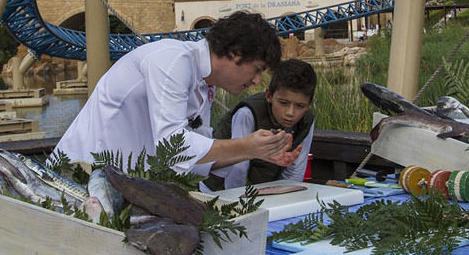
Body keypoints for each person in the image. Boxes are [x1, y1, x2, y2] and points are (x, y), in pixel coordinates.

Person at [52, 11, 292, 177]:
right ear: (235, 53)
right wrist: (243, 146)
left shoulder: (205, 83)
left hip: (119, 181)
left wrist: (253, 152)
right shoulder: (172, 60)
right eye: (257, 70)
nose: (257, 81)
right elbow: (172, 146)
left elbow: (193, 161)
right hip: (77, 176)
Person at [203, 58, 317, 192]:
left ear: (309, 104)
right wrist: (238, 204)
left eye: (300, 106)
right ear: (269, 95)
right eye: (283, 103)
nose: (290, 113)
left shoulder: (307, 120)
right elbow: (238, 168)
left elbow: (296, 168)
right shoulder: (247, 113)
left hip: (263, 190)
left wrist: (287, 196)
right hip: (219, 188)